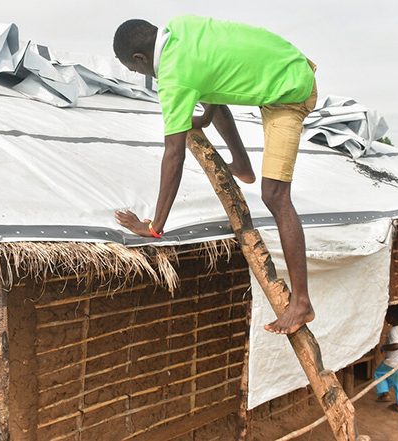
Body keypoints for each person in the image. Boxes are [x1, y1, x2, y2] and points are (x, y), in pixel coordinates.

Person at [112, 16, 318, 334]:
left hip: (290, 90)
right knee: (209, 86)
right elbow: (217, 65)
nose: (141, 75)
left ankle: (302, 302)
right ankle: (242, 164)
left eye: (135, 70)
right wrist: (205, 117)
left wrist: (154, 227)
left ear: (140, 59)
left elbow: (174, 155)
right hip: (282, 59)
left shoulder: (173, 77)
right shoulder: (181, 30)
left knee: (275, 196)